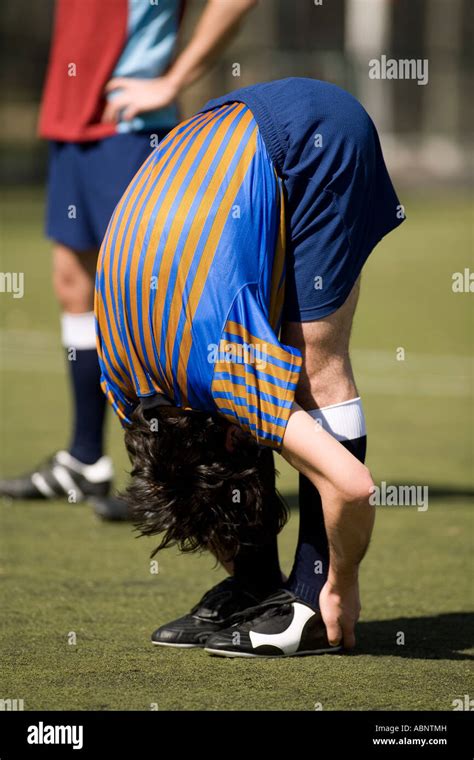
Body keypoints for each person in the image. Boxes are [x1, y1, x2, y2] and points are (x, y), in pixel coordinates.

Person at [94, 78, 405, 657]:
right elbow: (186, 472)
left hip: (316, 136)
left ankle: (310, 606)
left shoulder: (227, 380)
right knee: (213, 471)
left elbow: (353, 487)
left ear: (238, 434)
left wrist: (344, 585)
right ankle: (259, 586)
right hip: (220, 131)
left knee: (314, 361)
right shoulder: (124, 384)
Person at [0, 0, 258, 517]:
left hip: (132, 126)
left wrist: (173, 79)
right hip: (71, 126)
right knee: (75, 287)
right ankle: (85, 459)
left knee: (150, 304)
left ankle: (175, 479)